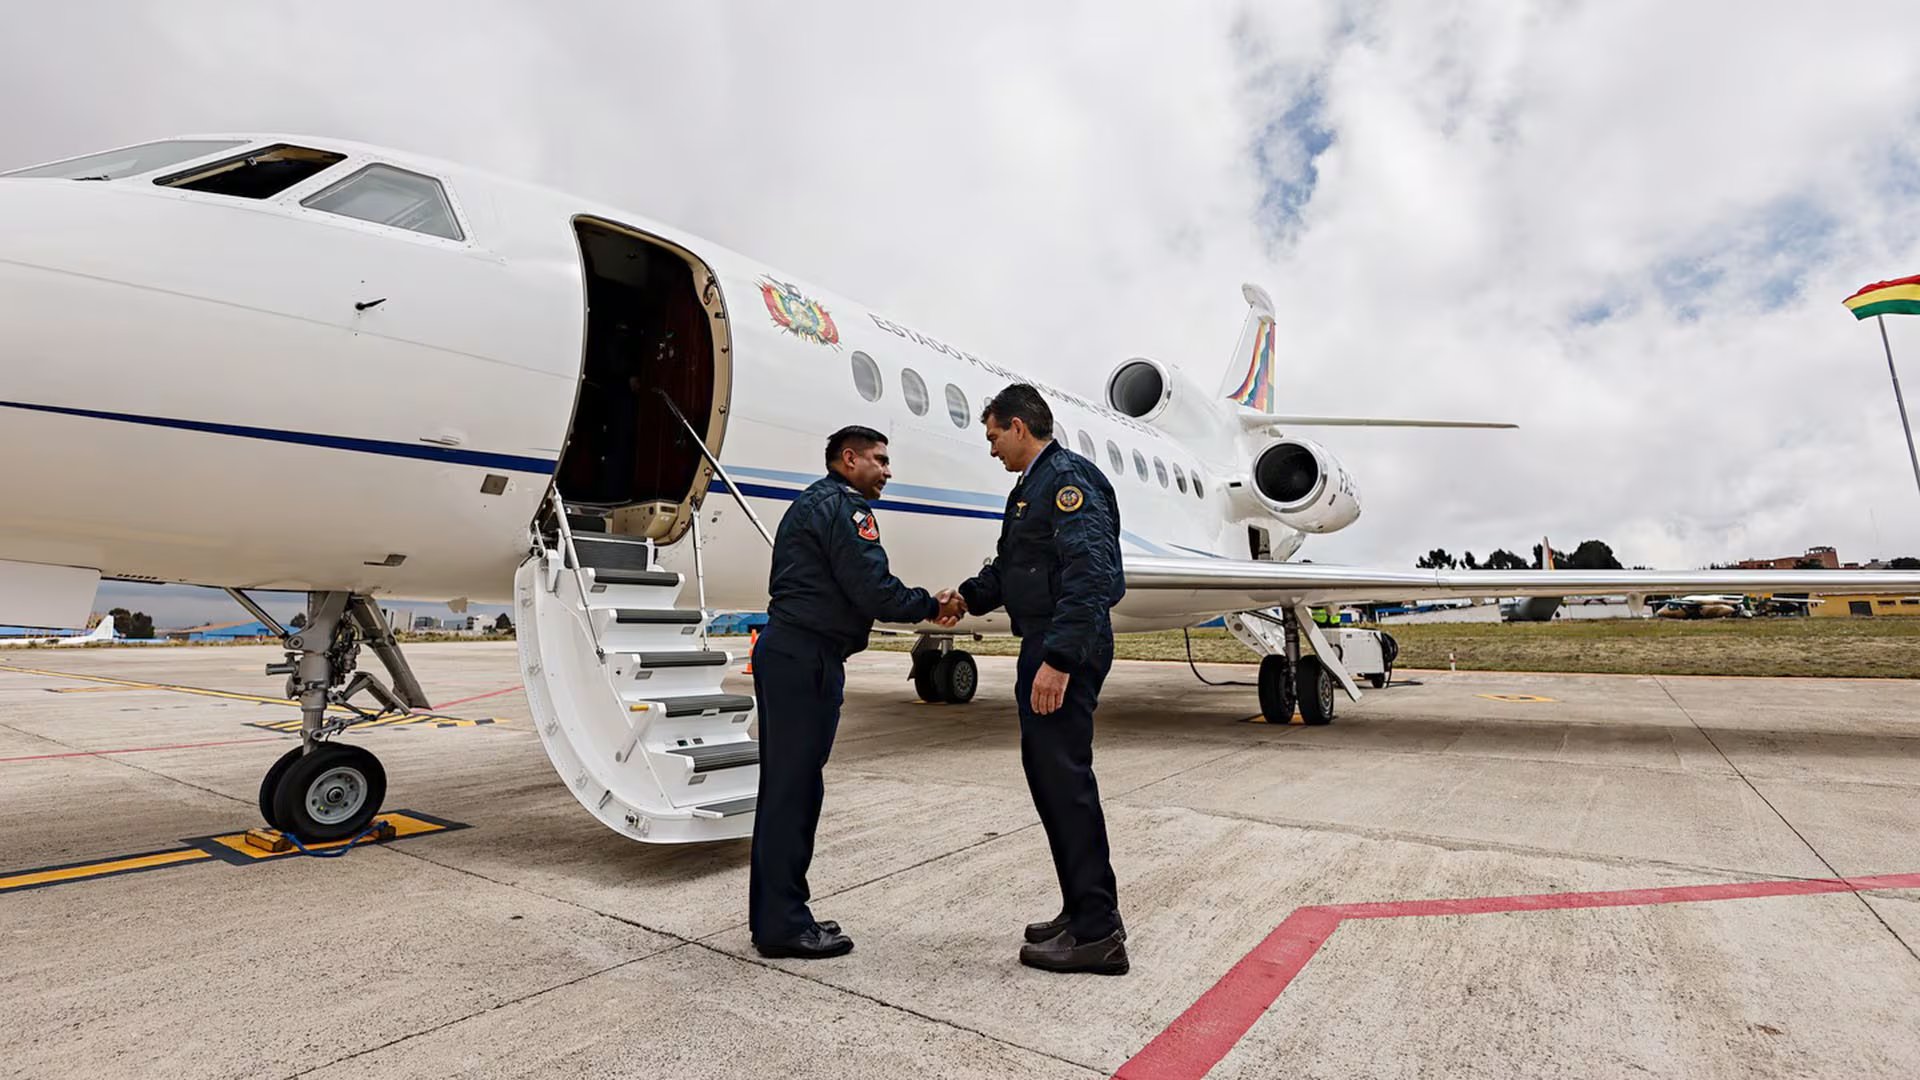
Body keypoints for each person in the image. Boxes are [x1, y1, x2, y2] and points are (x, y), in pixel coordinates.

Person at [750, 425, 962, 959]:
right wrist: (928, 606)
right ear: (849, 459)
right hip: (807, 659)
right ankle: (783, 925)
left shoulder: (813, 504)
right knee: (794, 793)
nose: (887, 472)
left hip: (789, 653)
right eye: (880, 460)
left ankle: (780, 914)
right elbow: (872, 588)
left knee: (785, 790)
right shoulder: (847, 510)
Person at [951, 384, 1130, 975]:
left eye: (994, 435)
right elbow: (1012, 569)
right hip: (1047, 640)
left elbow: (1091, 575)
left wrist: (1059, 660)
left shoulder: (1066, 481)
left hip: (1061, 645)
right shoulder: (1030, 488)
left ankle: (1098, 935)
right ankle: (1084, 910)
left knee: (1064, 784)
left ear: (1019, 427)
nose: (993, 448)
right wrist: (966, 599)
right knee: (1052, 783)